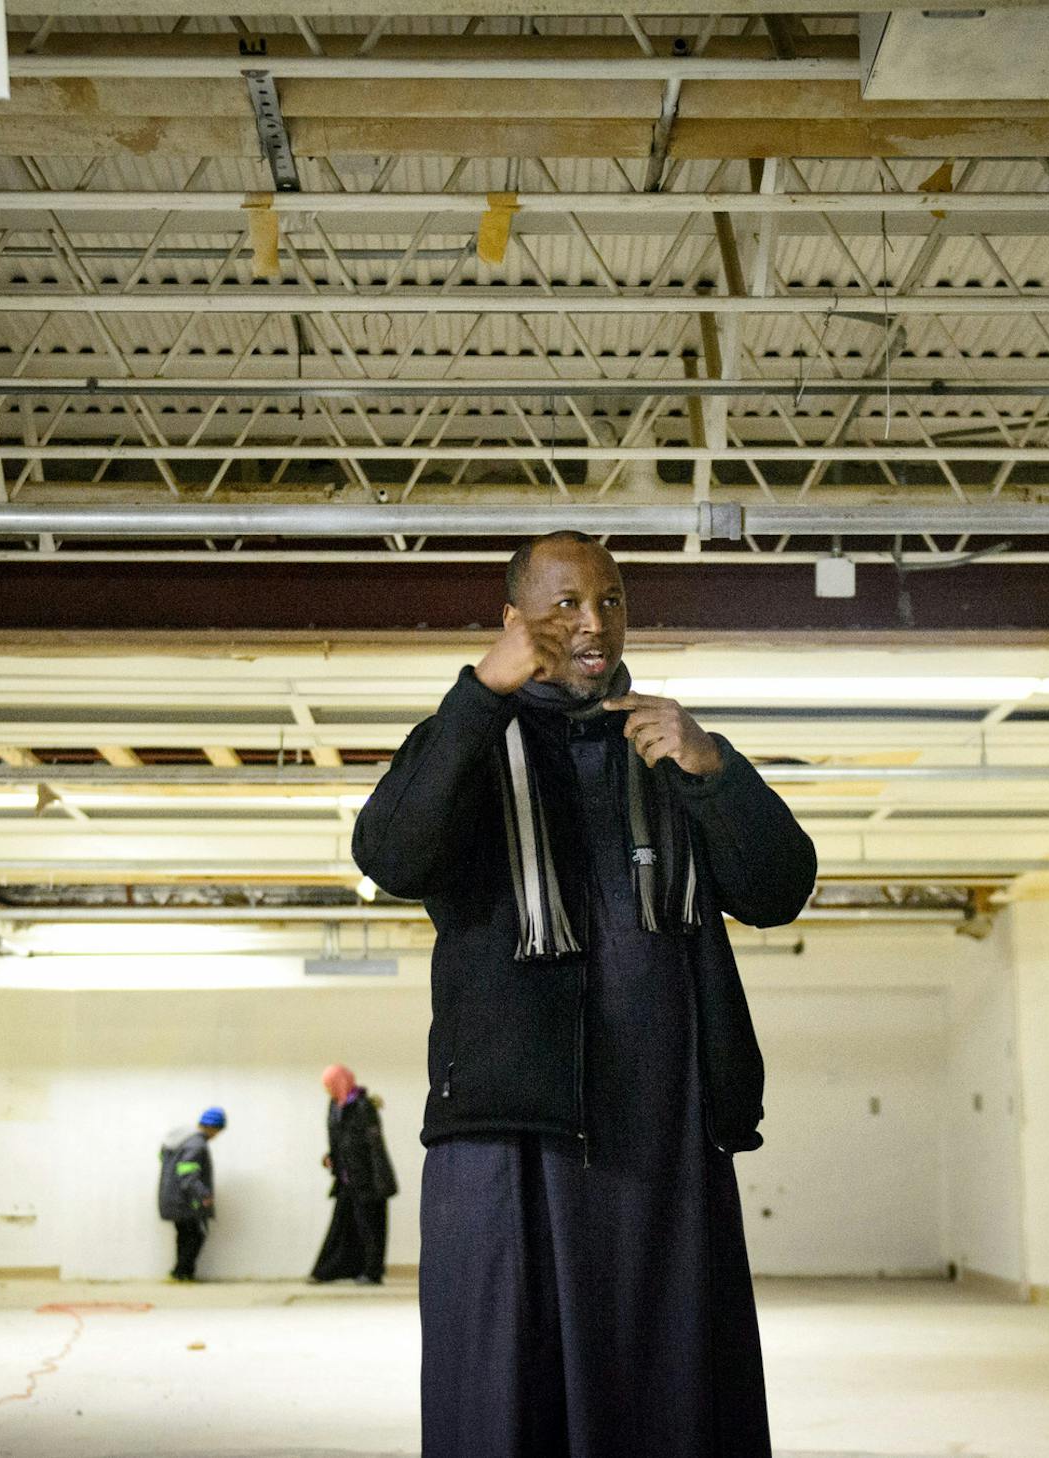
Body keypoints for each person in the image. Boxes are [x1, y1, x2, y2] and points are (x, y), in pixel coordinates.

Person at [353, 530, 817, 1458]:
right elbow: (391, 855)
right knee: (506, 1399)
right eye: (564, 603)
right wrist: (478, 696)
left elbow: (778, 890)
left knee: (672, 1399)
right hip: (510, 1130)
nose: (592, 624)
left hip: (666, 1130)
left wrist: (715, 775)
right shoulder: (470, 743)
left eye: (609, 601)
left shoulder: (672, 748)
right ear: (514, 619)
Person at [309, 1063, 398, 1285]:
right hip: (346, 1178)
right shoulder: (335, 1105)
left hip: (368, 1178)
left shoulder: (362, 1106)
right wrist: (332, 1157)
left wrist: (380, 1181)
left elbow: (374, 1144)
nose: (328, 1089)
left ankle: (372, 1272)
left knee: (371, 1227)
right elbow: (339, 1139)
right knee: (343, 1226)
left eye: (330, 1084)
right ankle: (328, 1271)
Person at [157, 1105, 224, 1282]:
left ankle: (180, 1274)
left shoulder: (179, 1140)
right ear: (213, 1128)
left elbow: (165, 1161)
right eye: (218, 1131)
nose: (216, 1135)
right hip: (188, 1201)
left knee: (185, 1235)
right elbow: (188, 1175)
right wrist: (204, 1195)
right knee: (196, 1235)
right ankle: (182, 1273)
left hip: (172, 1198)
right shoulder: (197, 1144)